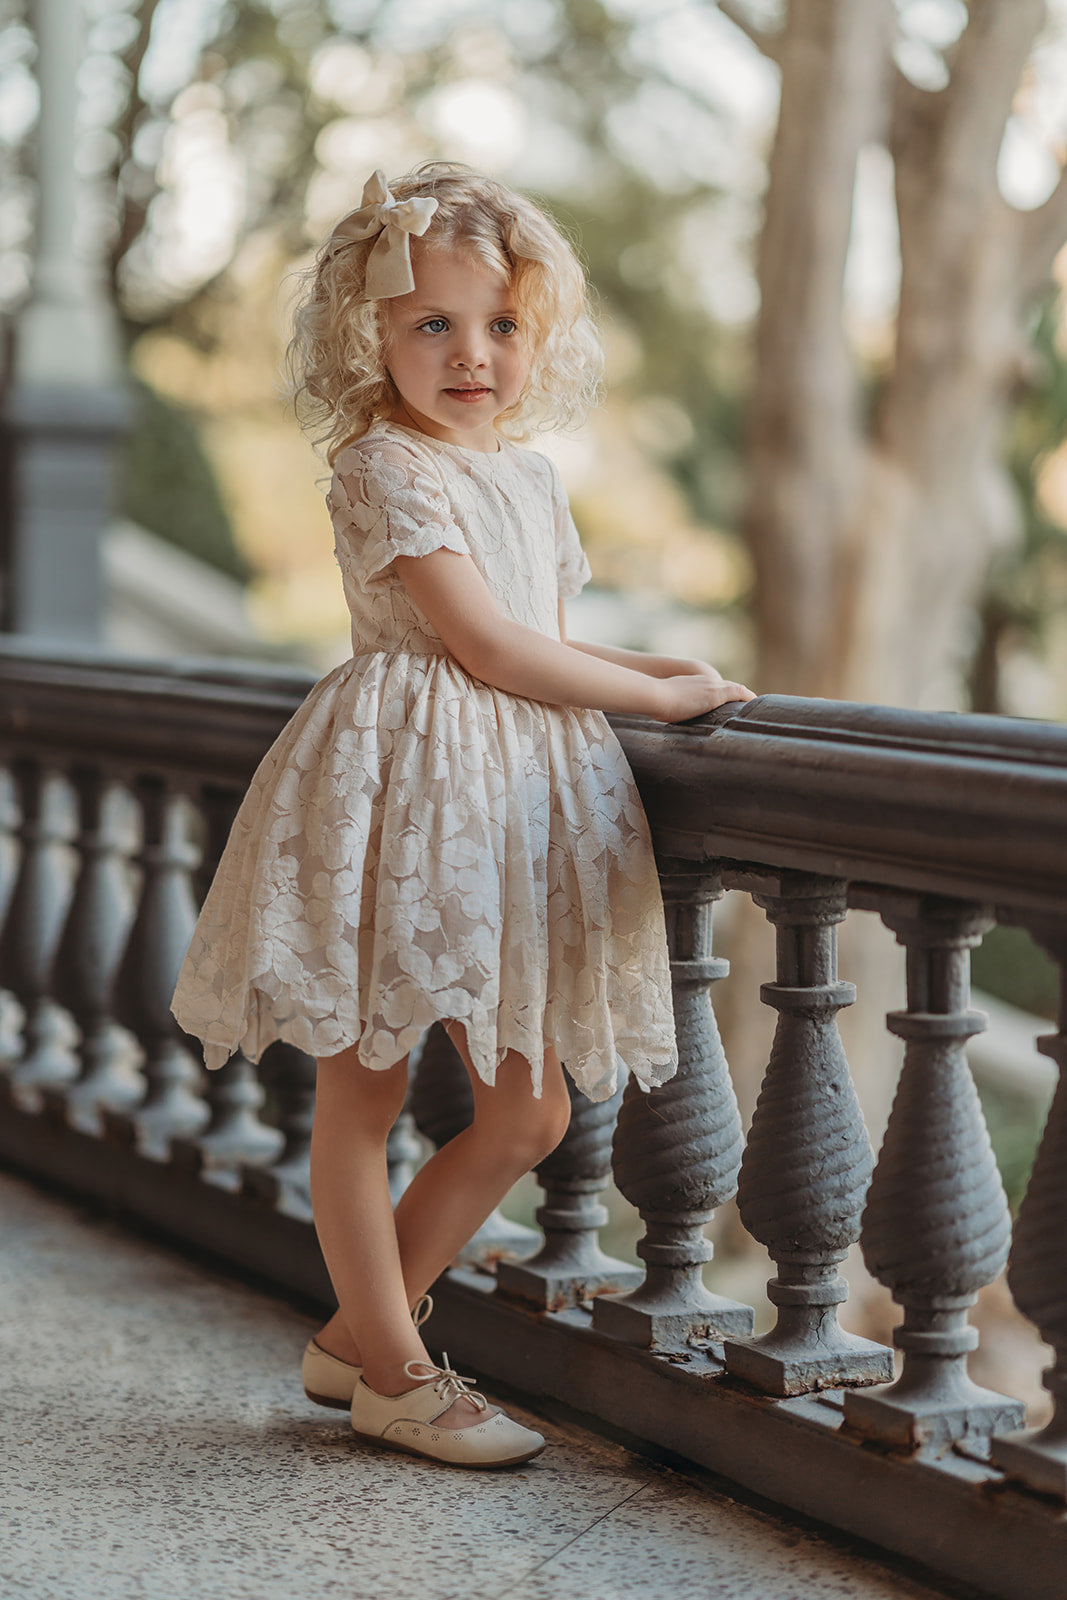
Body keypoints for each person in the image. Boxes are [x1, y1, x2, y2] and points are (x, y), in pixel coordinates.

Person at [171, 162, 755, 1470]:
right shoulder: (381, 463)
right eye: (430, 323)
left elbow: (547, 637)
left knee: (529, 1116)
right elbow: (487, 647)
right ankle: (398, 1373)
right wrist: (657, 704)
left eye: (495, 324)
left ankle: (351, 1344)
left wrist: (652, 670)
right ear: (366, 334)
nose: (469, 353)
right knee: (361, 1097)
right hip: (398, 790)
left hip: (511, 800)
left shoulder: (533, 481)